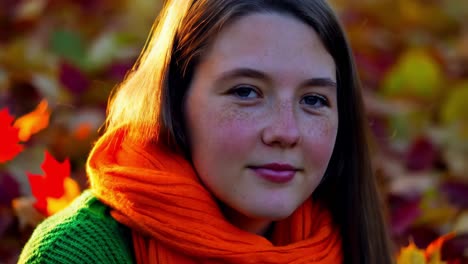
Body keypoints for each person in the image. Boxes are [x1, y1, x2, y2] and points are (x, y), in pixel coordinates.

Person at [19, 0, 394, 263]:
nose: (286, 131)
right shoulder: (79, 254)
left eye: (313, 100)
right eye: (246, 92)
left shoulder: (345, 241)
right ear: (175, 99)